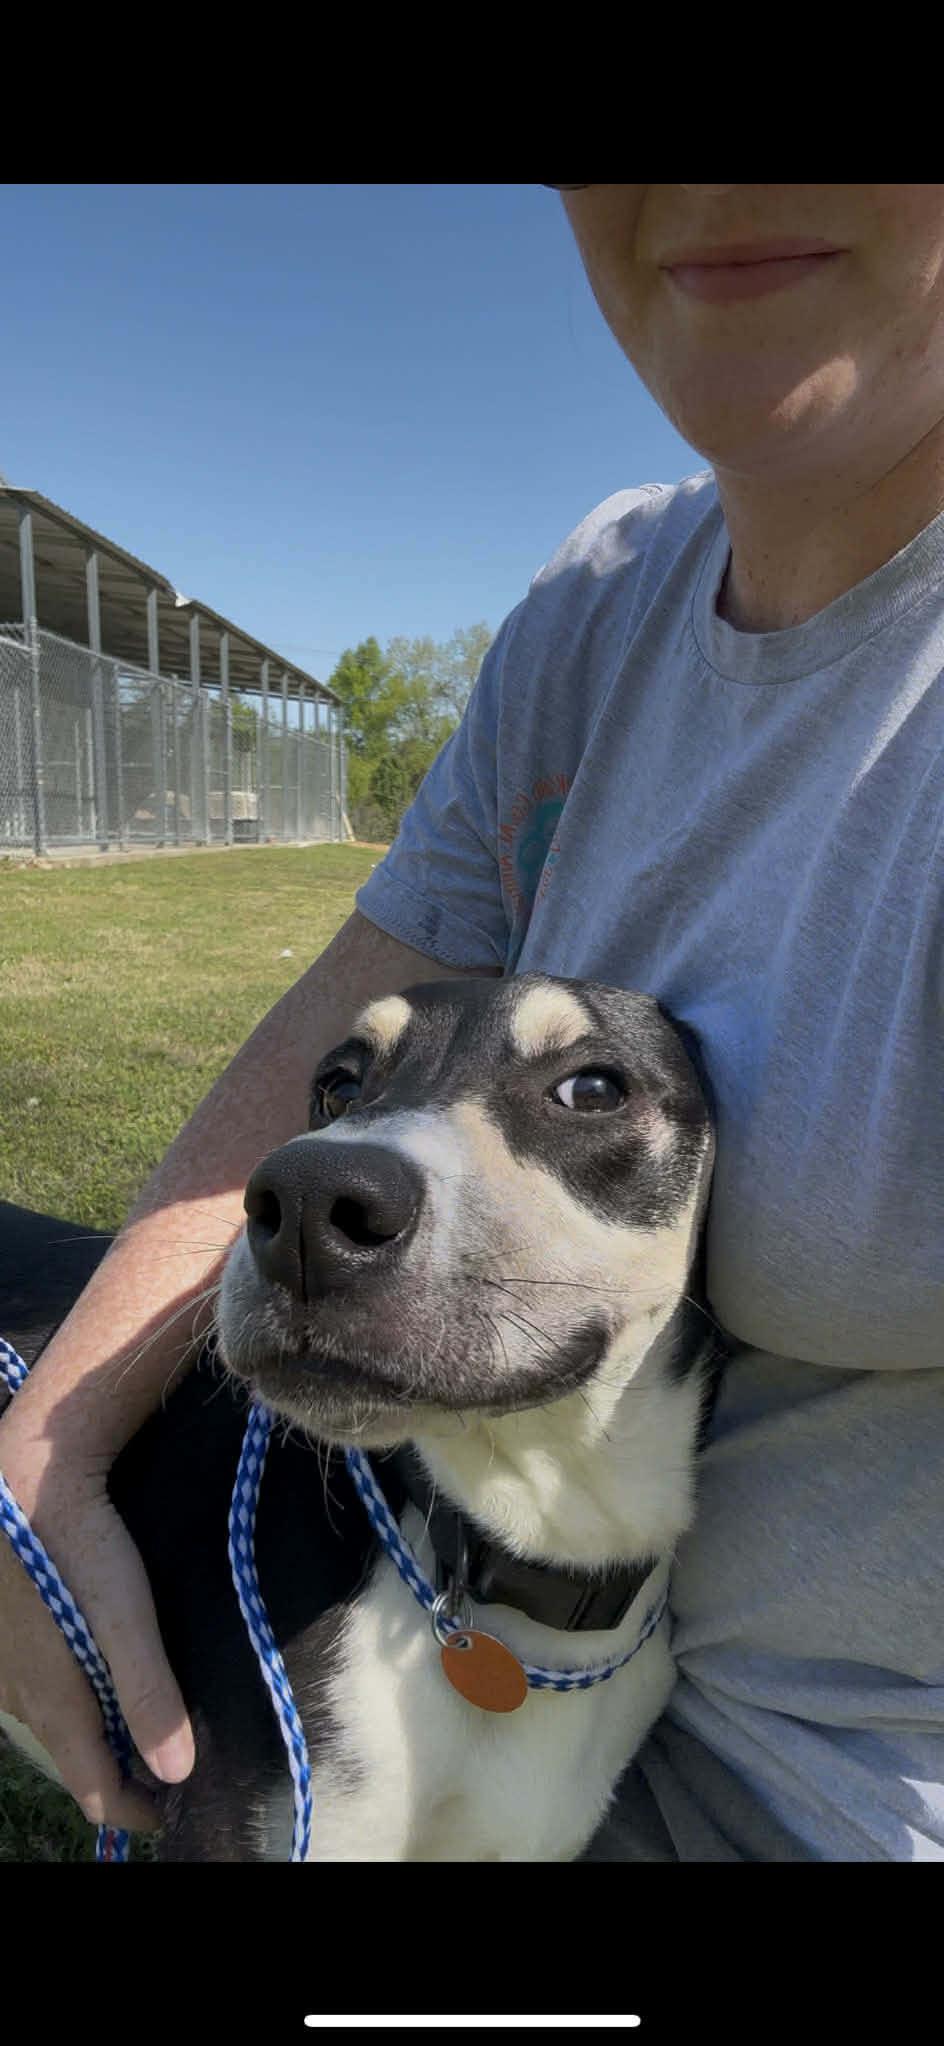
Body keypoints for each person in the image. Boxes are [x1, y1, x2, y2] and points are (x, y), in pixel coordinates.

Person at [2, 183, 942, 1859]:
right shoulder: (604, 594)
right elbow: (346, 1021)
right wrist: (44, 1454)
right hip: (520, 1643)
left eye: (586, 1089)